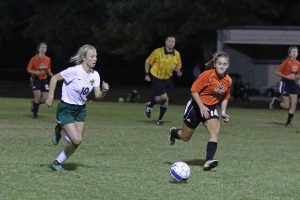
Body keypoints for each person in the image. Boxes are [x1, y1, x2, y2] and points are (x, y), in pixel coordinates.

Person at [45, 44, 109, 172]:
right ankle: (60, 129)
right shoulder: (74, 71)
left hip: (81, 110)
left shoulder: (95, 75)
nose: (95, 59)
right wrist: (50, 97)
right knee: (77, 139)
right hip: (66, 108)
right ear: (84, 58)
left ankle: (57, 162)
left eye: (96, 56)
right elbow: (54, 78)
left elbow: (98, 96)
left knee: (76, 142)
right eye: (92, 56)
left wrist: (104, 91)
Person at [168, 52, 232, 171]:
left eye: (224, 64)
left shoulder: (228, 80)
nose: (222, 66)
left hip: (211, 108)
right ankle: (174, 133)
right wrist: (201, 106)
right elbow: (193, 90)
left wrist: (223, 112)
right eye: (219, 64)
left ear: (228, 66)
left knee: (214, 133)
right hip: (195, 106)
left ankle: (208, 161)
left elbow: (225, 97)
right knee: (185, 137)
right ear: (214, 64)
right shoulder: (207, 75)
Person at [144, 35, 183, 125]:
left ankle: (152, 106)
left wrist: (178, 72)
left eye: (173, 41)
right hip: (156, 77)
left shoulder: (176, 54)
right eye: (169, 41)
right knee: (165, 97)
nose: (171, 43)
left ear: (174, 43)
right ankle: (158, 118)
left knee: (164, 99)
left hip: (167, 79)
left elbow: (177, 66)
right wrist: (146, 74)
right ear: (166, 42)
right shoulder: (158, 52)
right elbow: (147, 62)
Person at [269, 46, 300, 126]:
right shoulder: (286, 62)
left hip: (293, 84)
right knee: (286, 105)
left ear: (297, 53)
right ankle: (276, 101)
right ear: (289, 54)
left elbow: (298, 75)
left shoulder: (298, 63)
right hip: (285, 83)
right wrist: (287, 76)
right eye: (293, 52)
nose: (294, 53)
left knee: (294, 104)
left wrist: (297, 78)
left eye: (296, 52)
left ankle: (288, 122)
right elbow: (276, 72)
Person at [27, 42, 53, 118]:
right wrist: (35, 72)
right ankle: (35, 113)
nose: (44, 49)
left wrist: (50, 73)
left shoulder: (48, 59)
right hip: (35, 79)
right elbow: (28, 69)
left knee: (45, 99)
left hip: (44, 79)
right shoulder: (34, 58)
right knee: (37, 96)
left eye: (45, 47)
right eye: (42, 47)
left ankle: (34, 103)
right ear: (38, 49)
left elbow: (48, 68)